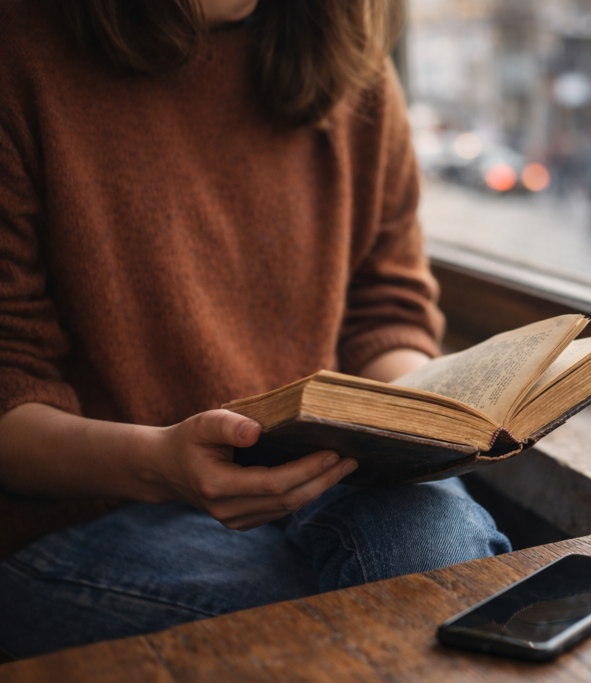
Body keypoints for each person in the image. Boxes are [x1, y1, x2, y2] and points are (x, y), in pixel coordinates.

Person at [0, 0, 510, 659]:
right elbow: (10, 391)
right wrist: (161, 466)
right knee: (404, 609)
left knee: (430, 560)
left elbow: (386, 313)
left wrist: (423, 416)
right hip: (89, 507)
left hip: (326, 473)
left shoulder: (351, 65)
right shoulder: (20, 53)